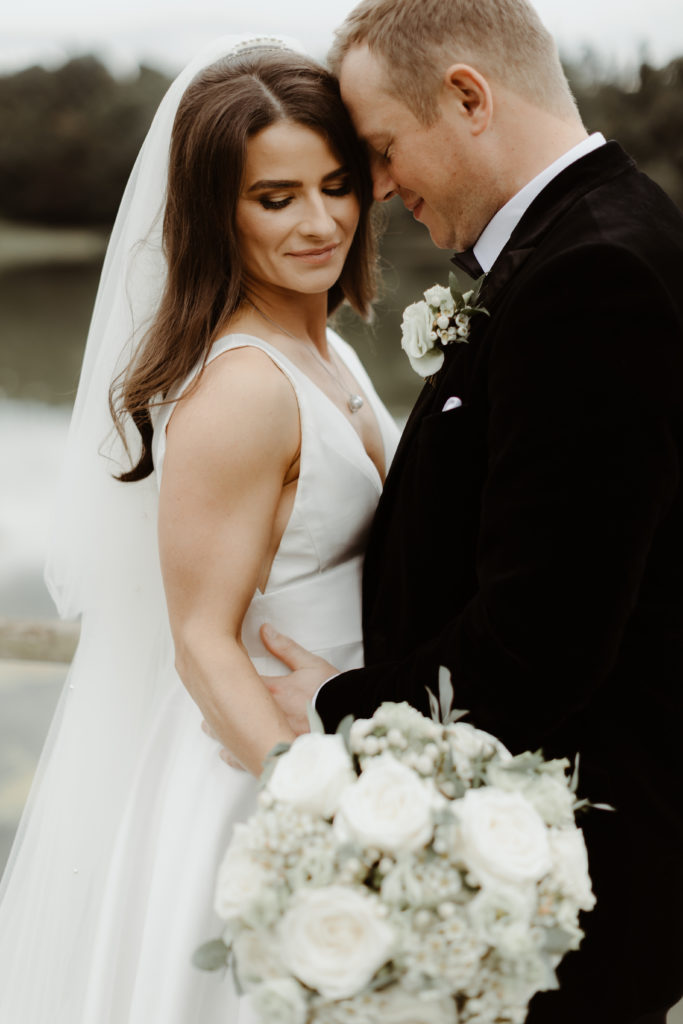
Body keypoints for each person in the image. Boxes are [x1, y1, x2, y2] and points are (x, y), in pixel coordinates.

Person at [256, 1, 683, 1021]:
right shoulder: (597, 233)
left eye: (381, 148)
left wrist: (338, 709)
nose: (380, 186)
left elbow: (537, 642)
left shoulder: (590, 278)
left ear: (465, 96)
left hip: (576, 876)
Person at [0, 35, 399, 1023]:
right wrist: (314, 818)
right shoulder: (241, 389)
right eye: (276, 197)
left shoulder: (329, 353)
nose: (319, 221)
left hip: (348, 735)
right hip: (257, 775)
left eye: (337, 183)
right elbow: (200, 641)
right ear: (215, 212)